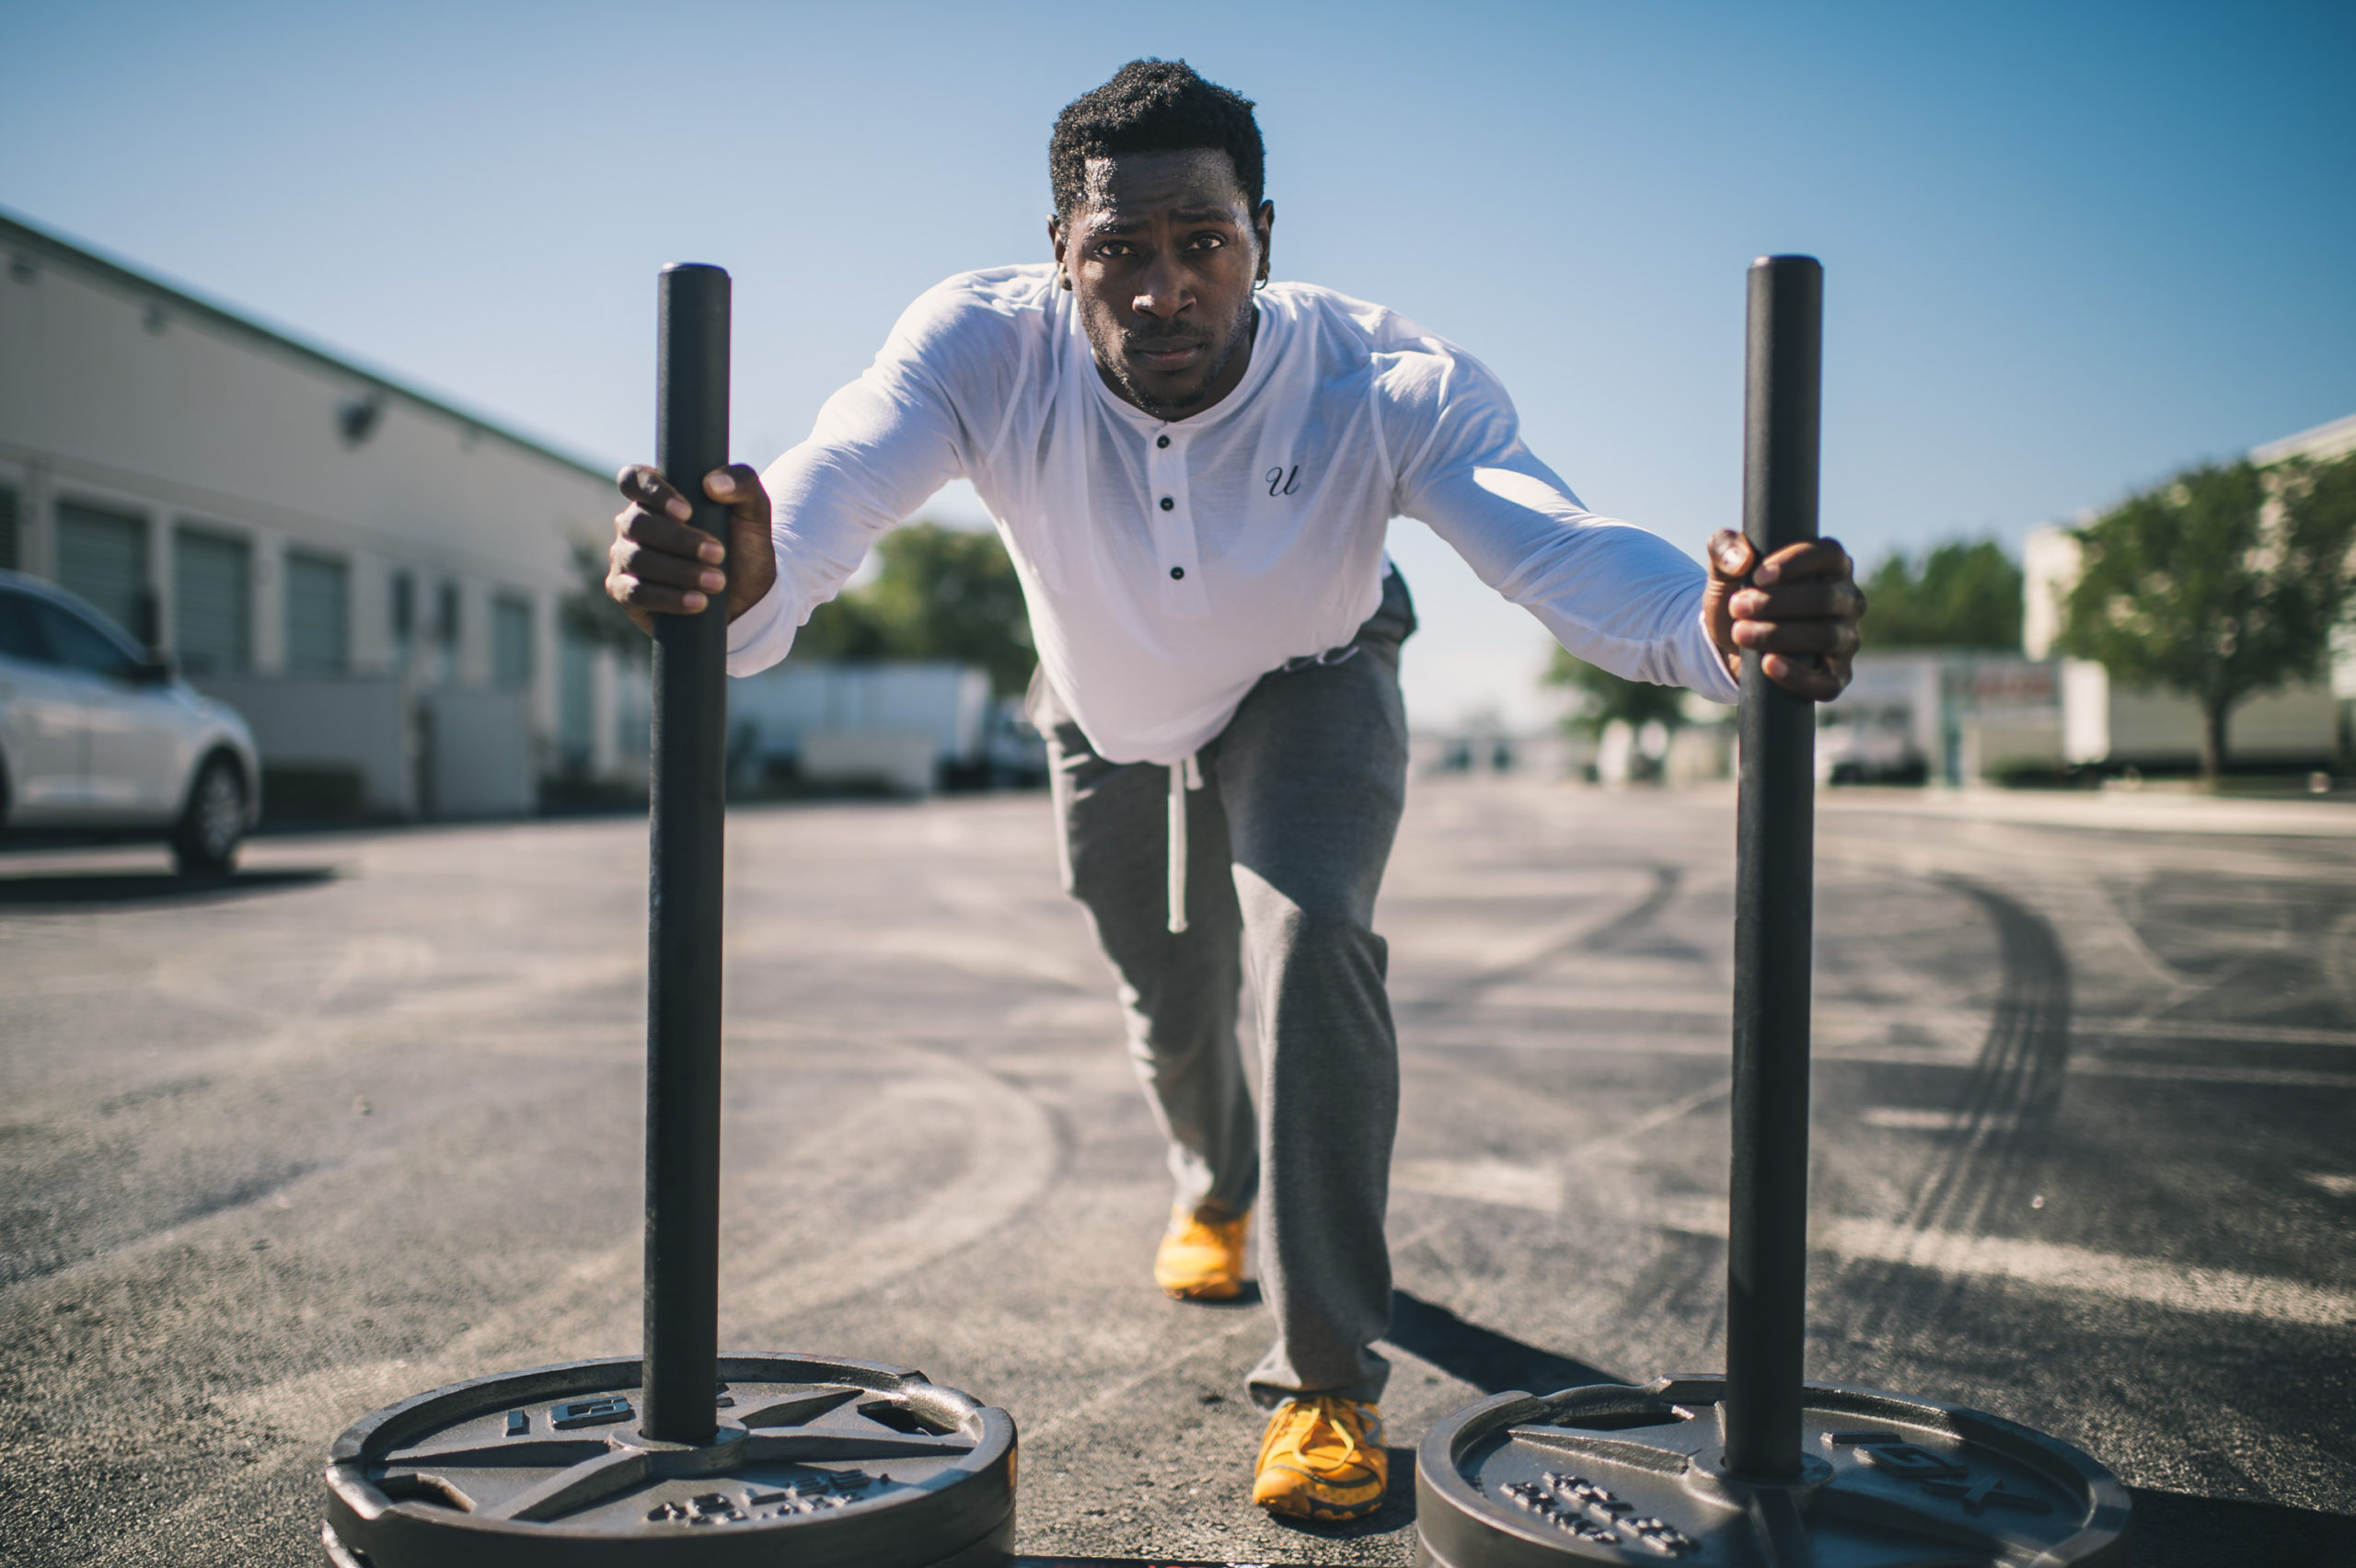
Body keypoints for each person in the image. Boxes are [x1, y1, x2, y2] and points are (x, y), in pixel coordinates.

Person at [605, 58, 1864, 1523]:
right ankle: (1215, 1182)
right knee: (1168, 985)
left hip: (1311, 672)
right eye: (1117, 252)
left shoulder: (1380, 379)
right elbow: (827, 495)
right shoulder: (977, 349)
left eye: (1201, 243)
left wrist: (1716, 625)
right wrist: (746, 574)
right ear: (1058, 255)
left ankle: (1327, 1380)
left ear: (1263, 235)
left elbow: (1558, 547)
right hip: (1101, 700)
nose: (1161, 289)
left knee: (1309, 934)